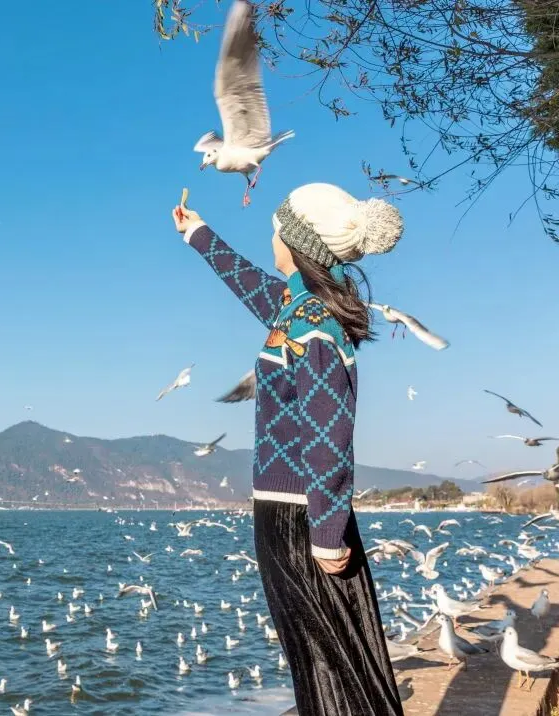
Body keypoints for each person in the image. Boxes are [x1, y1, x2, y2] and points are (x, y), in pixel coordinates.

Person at [172, 182, 404, 716]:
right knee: (332, 652)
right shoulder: (297, 309)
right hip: (294, 510)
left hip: (299, 517)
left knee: (328, 658)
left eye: (277, 230)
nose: (270, 238)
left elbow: (329, 433)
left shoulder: (313, 325)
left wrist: (326, 533)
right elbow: (245, 280)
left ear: (297, 243)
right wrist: (196, 232)